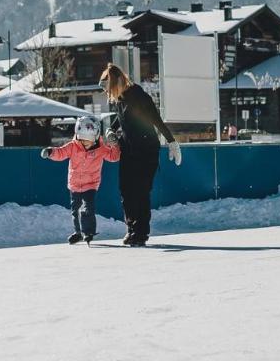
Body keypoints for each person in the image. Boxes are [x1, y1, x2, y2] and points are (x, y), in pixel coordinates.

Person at [100, 63, 182, 247]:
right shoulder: (120, 99)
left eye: (107, 87)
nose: (107, 92)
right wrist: (111, 131)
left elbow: (155, 118)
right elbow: (119, 118)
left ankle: (141, 233)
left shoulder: (138, 95)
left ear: (116, 83)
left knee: (141, 192)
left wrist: (171, 141)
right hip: (128, 149)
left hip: (146, 150)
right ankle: (131, 229)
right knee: (126, 191)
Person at [40, 114, 119, 244]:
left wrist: (115, 145)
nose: (85, 144)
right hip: (74, 184)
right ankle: (78, 232)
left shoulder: (101, 149)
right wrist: (50, 152)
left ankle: (88, 232)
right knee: (75, 210)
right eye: (82, 141)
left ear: (95, 137)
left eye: (88, 142)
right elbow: (60, 153)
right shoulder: (73, 146)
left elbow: (113, 157)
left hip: (91, 184)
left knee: (88, 209)